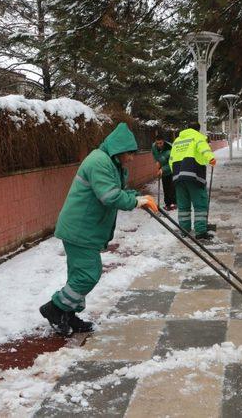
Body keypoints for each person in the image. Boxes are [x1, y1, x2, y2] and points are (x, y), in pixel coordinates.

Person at [40, 122, 158, 336]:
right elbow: (110, 196)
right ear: (119, 150)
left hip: (86, 229)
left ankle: (68, 314)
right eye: (129, 154)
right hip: (80, 229)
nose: (131, 158)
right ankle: (55, 309)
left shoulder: (111, 162)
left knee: (78, 275)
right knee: (88, 275)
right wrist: (137, 201)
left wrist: (136, 198)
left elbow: (117, 191)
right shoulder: (99, 162)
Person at [169, 122, 216, 241]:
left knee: (183, 205)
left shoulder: (178, 140)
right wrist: (211, 158)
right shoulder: (197, 136)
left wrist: (176, 173)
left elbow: (171, 159)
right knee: (200, 203)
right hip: (193, 175)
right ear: (198, 129)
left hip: (177, 176)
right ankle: (200, 232)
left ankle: (184, 230)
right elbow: (204, 149)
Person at [151, 133, 176, 211]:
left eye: (160, 143)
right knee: (165, 186)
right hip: (163, 168)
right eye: (157, 143)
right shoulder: (154, 146)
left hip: (171, 168)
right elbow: (155, 154)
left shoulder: (170, 148)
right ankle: (167, 203)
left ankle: (173, 203)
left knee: (171, 187)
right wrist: (157, 162)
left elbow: (172, 163)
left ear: (163, 141)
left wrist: (163, 169)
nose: (159, 145)